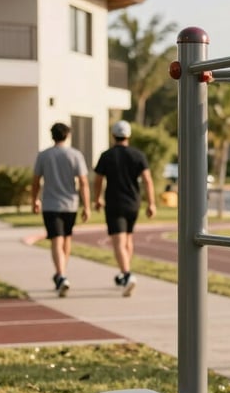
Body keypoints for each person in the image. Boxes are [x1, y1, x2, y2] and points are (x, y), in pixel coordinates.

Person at [93, 120, 156, 297]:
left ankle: (127, 274)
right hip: (133, 203)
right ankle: (124, 272)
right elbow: (147, 180)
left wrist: (97, 198)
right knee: (128, 239)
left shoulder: (106, 156)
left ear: (113, 136)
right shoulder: (138, 155)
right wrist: (151, 203)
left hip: (115, 203)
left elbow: (98, 179)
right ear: (128, 135)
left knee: (118, 242)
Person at [31, 122, 90, 297]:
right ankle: (61, 273)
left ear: (52, 136)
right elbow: (84, 182)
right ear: (68, 135)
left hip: (50, 204)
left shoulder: (44, 155)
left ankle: (61, 274)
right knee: (66, 238)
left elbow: (36, 181)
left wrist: (34, 200)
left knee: (56, 239)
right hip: (71, 204)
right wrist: (86, 206)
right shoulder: (76, 155)